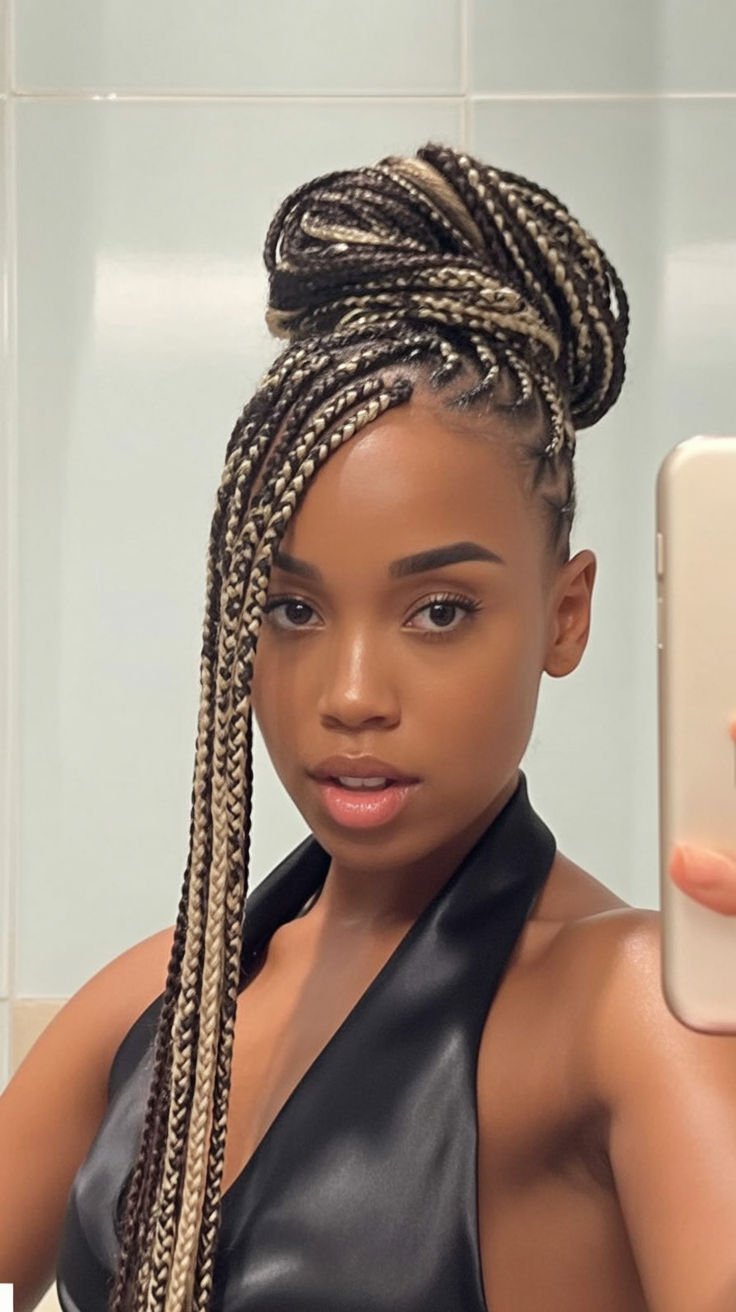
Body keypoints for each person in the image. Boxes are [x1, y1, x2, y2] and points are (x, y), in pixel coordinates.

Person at [1, 145, 735, 1312]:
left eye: (438, 610)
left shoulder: (631, 1011)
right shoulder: (155, 999)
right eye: (291, 608)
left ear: (566, 614)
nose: (349, 694)